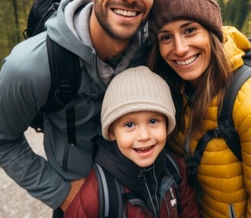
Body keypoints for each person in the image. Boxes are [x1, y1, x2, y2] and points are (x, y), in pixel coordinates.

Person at [0, 0, 173, 217]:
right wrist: (63, 195)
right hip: (81, 204)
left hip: (146, 194)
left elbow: (196, 44)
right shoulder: (32, 65)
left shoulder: (155, 48)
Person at [147, 0, 251, 217]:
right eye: (166, 37)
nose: (179, 48)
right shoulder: (179, 89)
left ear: (212, 33)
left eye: (190, 30)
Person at [64, 66, 199, 217]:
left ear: (167, 124)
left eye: (153, 121)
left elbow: (189, 209)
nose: (143, 135)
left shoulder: (176, 168)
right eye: (129, 125)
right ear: (111, 132)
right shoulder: (97, 194)